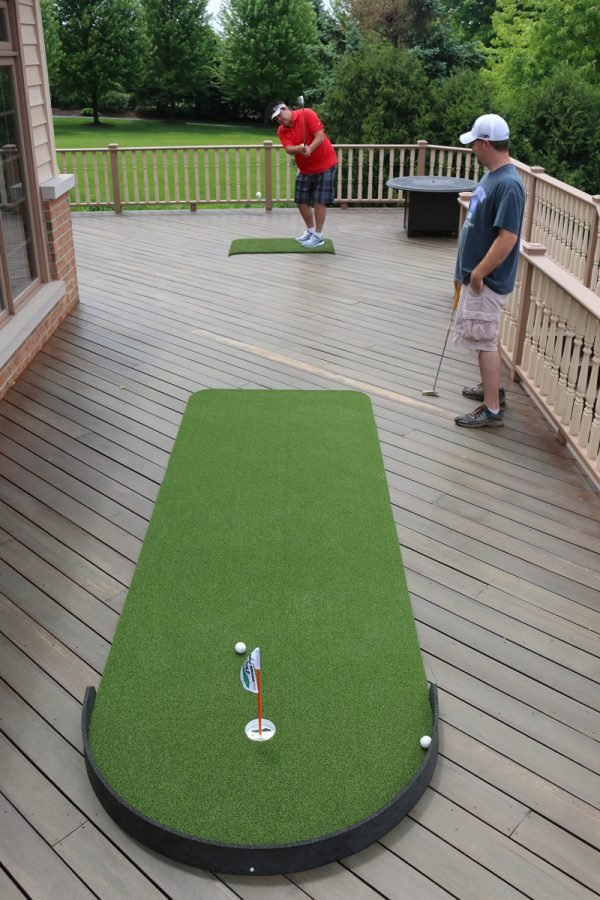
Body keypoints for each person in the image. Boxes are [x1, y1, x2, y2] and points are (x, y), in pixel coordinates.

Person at [453, 113, 525, 428]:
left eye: (473, 144)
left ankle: (492, 408)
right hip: (476, 277)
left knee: (484, 340)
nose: (471, 149)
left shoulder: (509, 184)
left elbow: (507, 238)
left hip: (488, 281)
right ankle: (491, 386)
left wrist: (479, 274)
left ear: (485, 144)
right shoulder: (494, 175)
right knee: (485, 337)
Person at [271, 101, 338, 249]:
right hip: (306, 169)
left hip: (325, 163)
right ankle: (310, 230)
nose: (280, 120)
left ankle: (318, 236)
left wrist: (310, 149)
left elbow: (320, 136)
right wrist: (299, 148)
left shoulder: (306, 114)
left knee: (320, 201)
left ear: (286, 109)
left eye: (280, 115)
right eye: (276, 119)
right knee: (301, 201)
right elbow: (288, 149)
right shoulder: (282, 130)